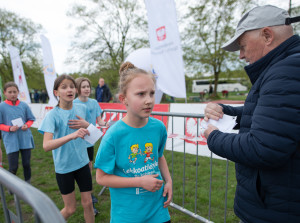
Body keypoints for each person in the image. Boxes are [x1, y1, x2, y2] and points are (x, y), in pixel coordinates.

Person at [203, 5, 300, 223]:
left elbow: (264, 148)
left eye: (243, 46)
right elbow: (274, 116)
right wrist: (225, 111)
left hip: (276, 210)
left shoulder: (286, 71)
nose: (241, 55)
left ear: (267, 35)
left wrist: (213, 136)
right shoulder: (284, 67)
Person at [95, 62, 172, 223]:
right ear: (124, 99)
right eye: (141, 94)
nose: (149, 100)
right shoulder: (113, 135)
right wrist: (139, 182)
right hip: (127, 215)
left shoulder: (158, 127)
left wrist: (169, 181)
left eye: (151, 93)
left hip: (158, 211)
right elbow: (101, 178)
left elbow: (159, 156)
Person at [38, 75, 94, 223]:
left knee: (88, 203)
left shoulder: (82, 108)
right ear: (56, 93)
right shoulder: (52, 116)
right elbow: (46, 146)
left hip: (82, 163)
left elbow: (93, 136)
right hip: (64, 168)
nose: (69, 90)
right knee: (70, 209)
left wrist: (87, 125)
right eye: (64, 87)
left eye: (71, 86)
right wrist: (72, 136)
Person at [72, 77, 109, 215]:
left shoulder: (94, 102)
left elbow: (100, 121)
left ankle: (89, 196)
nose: (87, 89)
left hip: (89, 141)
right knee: (81, 171)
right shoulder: (73, 103)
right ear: (77, 89)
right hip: (76, 142)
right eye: (84, 86)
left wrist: (107, 125)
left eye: (88, 86)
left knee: (88, 169)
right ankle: (88, 200)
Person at [0, 82, 35, 183]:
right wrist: (9, 128)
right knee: (13, 166)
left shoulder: (24, 105)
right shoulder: (1, 107)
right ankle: (12, 187)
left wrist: (26, 125)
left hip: (24, 138)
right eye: (10, 92)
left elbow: (31, 119)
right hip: (11, 140)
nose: (12, 94)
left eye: (14, 92)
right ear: (5, 93)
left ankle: (28, 185)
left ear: (18, 92)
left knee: (26, 164)